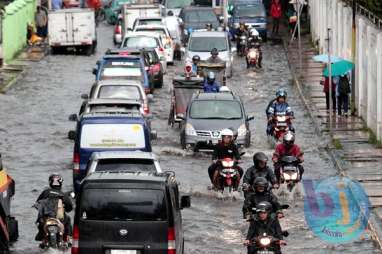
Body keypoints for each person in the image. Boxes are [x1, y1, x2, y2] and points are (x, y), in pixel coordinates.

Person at [35, 174, 73, 246]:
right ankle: (68, 238)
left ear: (50, 182)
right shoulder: (63, 195)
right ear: (60, 183)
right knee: (68, 219)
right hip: (59, 218)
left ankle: (42, 236)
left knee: (39, 221)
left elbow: (37, 203)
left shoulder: (45, 192)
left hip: (46, 218)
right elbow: (70, 208)